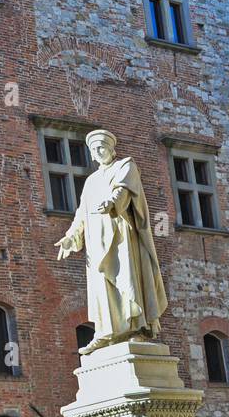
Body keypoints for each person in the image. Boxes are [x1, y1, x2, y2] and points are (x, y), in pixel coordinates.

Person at [55, 129, 167, 355]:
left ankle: (136, 327)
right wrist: (71, 236)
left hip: (121, 236)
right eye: (94, 150)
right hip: (96, 240)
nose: (98, 152)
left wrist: (111, 203)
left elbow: (124, 191)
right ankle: (106, 332)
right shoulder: (91, 181)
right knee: (102, 287)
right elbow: (81, 213)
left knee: (127, 279)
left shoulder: (126, 165)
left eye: (102, 147)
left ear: (111, 148)